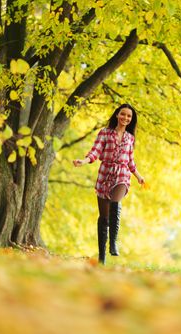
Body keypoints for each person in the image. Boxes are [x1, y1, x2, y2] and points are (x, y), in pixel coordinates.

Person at [73, 104, 145, 264]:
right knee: (104, 218)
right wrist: (83, 161)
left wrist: (138, 176)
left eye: (129, 116)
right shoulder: (105, 133)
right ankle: (102, 257)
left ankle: (113, 242)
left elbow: (130, 161)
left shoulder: (130, 138)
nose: (126, 118)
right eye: (123, 114)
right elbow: (96, 151)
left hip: (122, 174)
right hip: (105, 173)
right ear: (117, 115)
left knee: (115, 201)